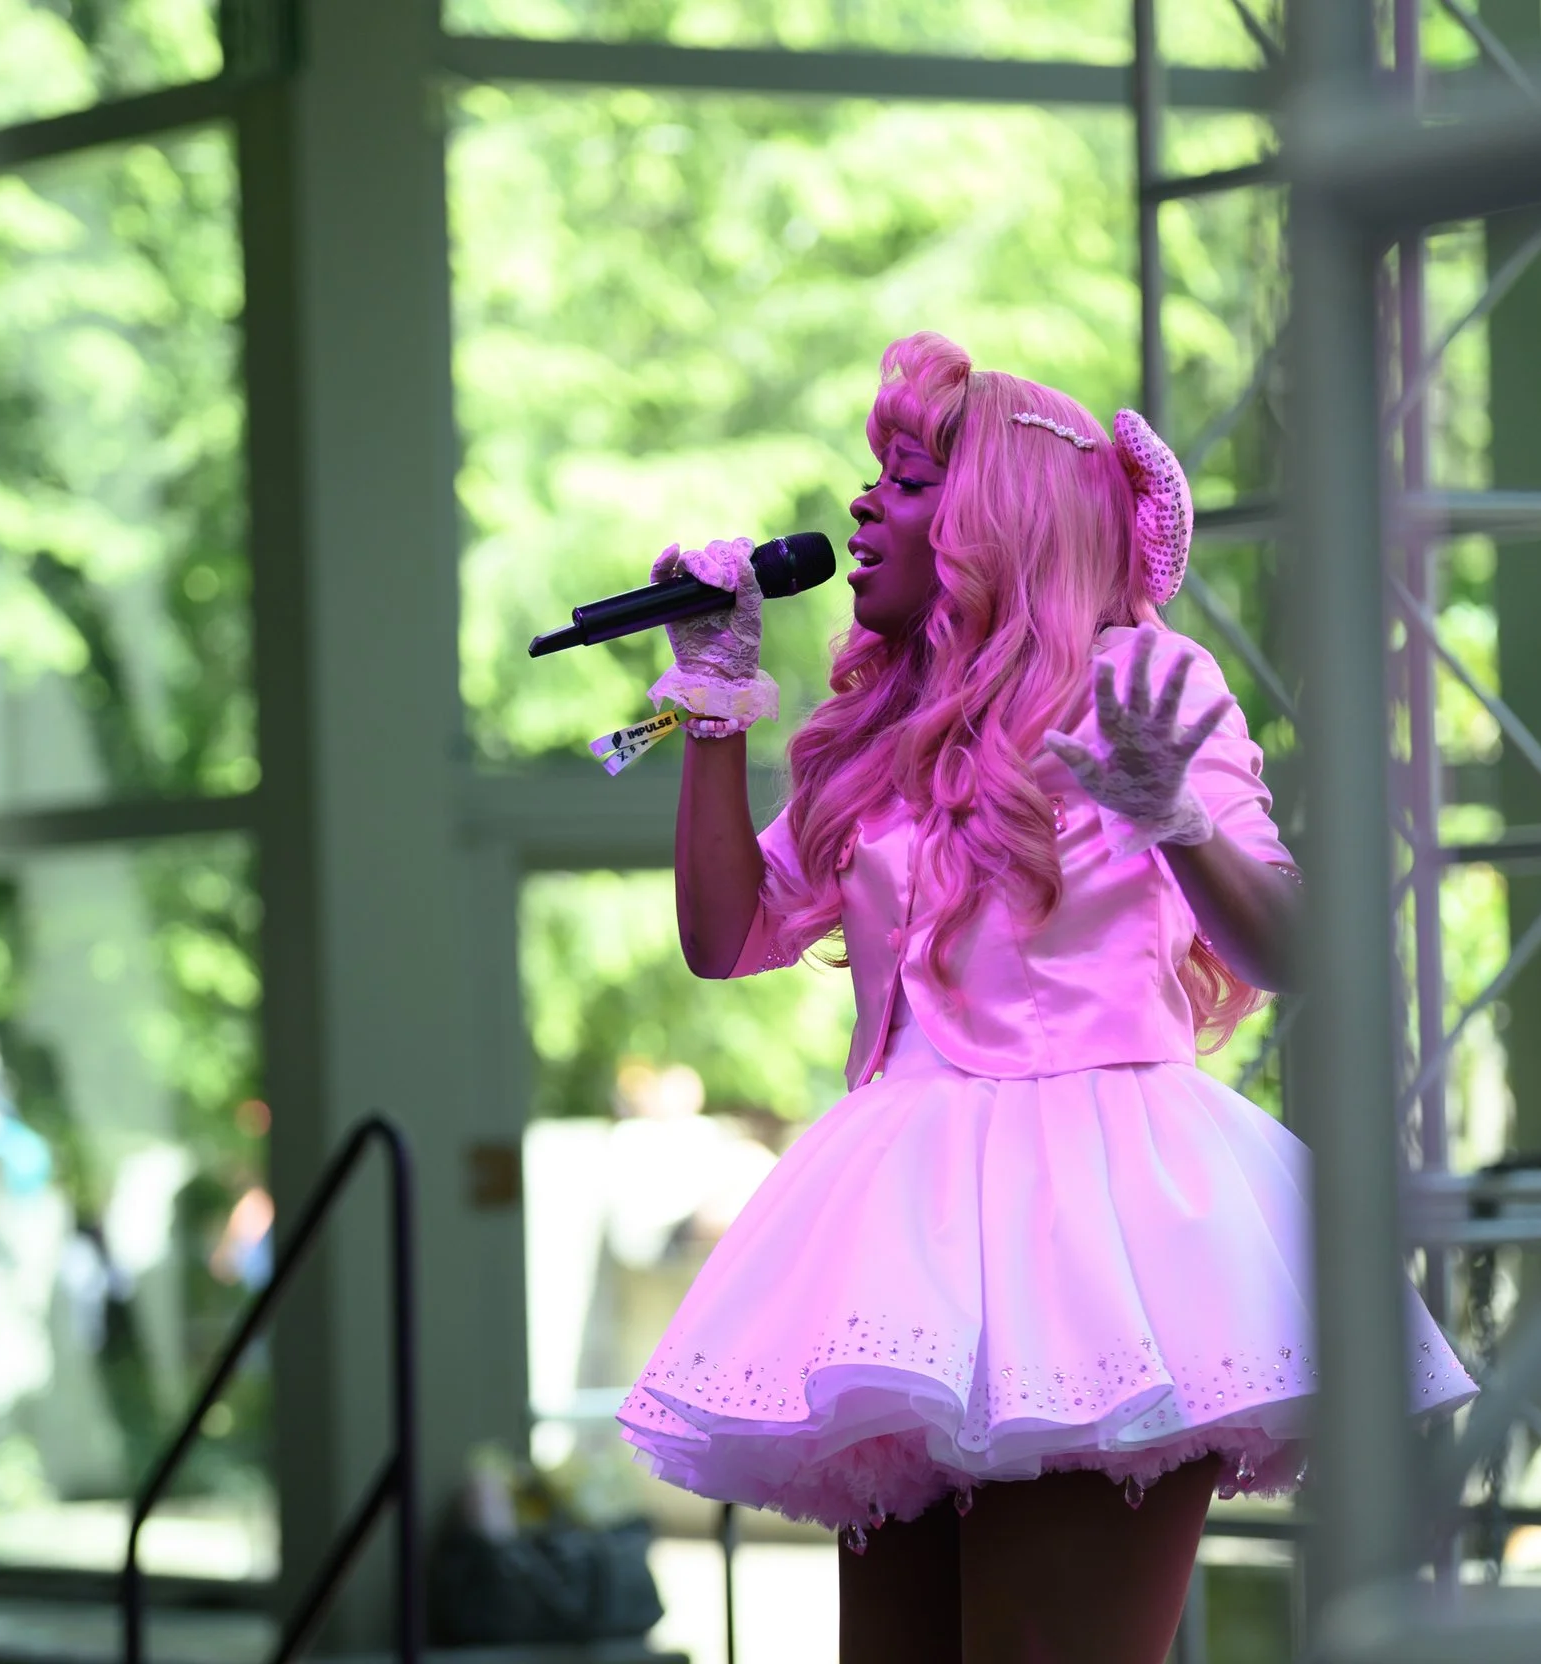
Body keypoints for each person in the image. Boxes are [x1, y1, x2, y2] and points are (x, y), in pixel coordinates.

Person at [615, 333, 1474, 1663]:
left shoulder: (1147, 680)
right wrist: (714, 706)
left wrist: (1175, 816)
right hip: (908, 1233)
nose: (860, 506)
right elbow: (728, 939)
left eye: (903, 480)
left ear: (989, 521)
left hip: (1104, 1229)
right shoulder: (883, 733)